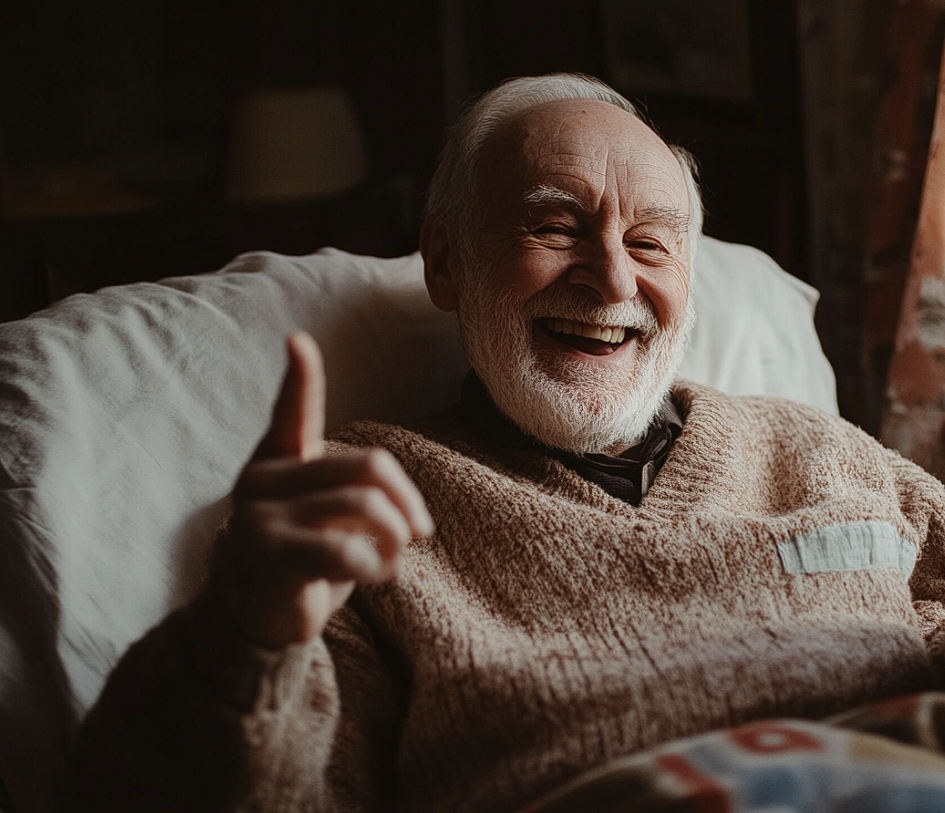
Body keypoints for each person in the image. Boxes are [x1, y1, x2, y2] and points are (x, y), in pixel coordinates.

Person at [73, 74, 945, 811]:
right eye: (555, 227)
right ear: (446, 263)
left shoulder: (817, 447)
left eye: (648, 242)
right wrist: (241, 635)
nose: (611, 279)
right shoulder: (353, 506)